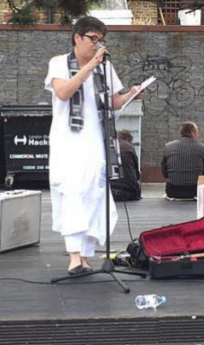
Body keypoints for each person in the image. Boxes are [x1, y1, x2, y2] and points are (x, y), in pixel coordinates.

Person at [45, 16, 145, 275]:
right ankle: (74, 257)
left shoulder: (104, 67)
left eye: (100, 40)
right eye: (93, 39)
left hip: (96, 141)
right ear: (77, 38)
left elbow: (113, 102)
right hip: (69, 142)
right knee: (73, 194)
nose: (97, 44)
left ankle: (86, 256)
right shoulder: (58, 63)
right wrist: (89, 66)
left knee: (94, 195)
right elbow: (64, 92)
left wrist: (131, 93)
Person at [161, 122, 204, 200]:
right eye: (197, 132)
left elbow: (164, 172)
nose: (198, 134)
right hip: (195, 191)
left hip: (173, 191)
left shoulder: (168, 147)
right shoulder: (202, 148)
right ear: (192, 132)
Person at [111, 129, 142, 202]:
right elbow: (137, 174)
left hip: (109, 191)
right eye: (131, 141)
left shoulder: (107, 146)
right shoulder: (129, 147)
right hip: (129, 192)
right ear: (127, 138)